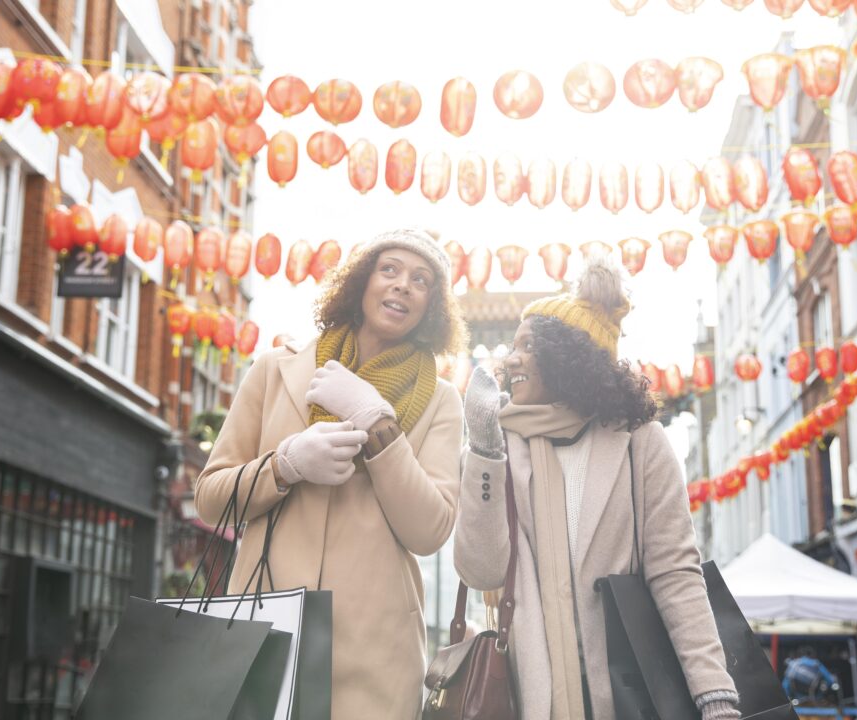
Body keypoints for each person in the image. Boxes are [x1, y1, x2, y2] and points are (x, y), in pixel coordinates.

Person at [196, 228, 468, 719]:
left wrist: (378, 424)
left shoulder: (443, 401)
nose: (403, 284)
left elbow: (429, 530)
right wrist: (286, 464)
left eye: (421, 279)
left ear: (432, 306)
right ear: (362, 282)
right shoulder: (275, 370)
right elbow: (212, 498)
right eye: (389, 269)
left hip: (374, 652)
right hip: (265, 631)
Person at [454, 257, 740, 720]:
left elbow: (675, 572)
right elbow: (481, 571)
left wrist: (714, 693)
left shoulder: (639, 442)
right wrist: (484, 448)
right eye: (512, 346)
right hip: (531, 699)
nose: (511, 359)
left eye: (528, 346)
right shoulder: (501, 445)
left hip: (631, 696)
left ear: (569, 357)